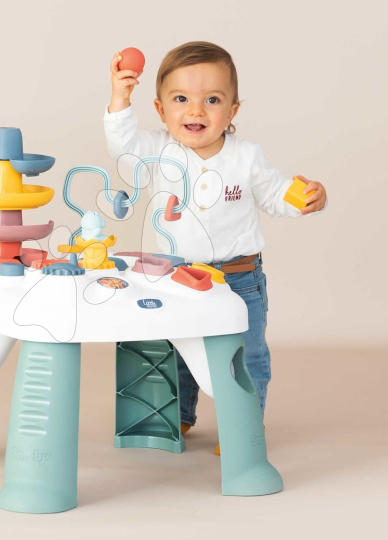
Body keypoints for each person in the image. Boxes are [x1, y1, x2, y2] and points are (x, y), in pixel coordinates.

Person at [103, 41, 327, 443]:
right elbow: (123, 148)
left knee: (247, 356)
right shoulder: (155, 151)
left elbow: (276, 195)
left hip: (239, 279)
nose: (196, 110)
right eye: (181, 99)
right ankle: (179, 415)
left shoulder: (247, 157)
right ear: (160, 109)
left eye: (212, 99)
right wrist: (120, 97)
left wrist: (308, 198)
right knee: (177, 351)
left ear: (232, 111)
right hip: (175, 277)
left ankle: (243, 431)